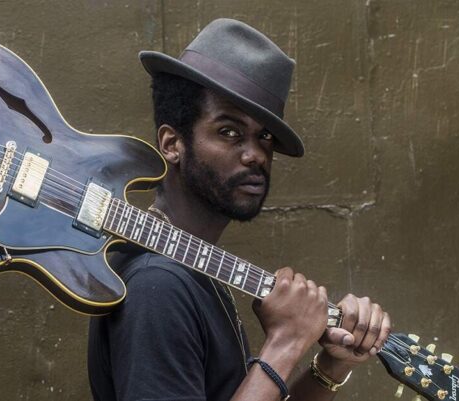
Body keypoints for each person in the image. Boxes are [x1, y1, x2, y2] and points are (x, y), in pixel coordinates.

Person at [87, 18, 391, 401]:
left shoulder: (197, 271)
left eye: (264, 135)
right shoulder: (156, 285)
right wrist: (286, 342)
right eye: (229, 132)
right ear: (172, 144)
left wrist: (331, 366)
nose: (255, 155)